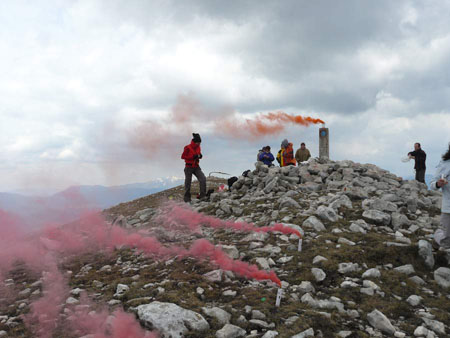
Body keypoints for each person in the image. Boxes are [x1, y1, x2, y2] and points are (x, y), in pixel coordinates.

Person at [431, 144, 450, 249]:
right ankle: (437, 235)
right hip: (448, 208)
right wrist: (438, 184)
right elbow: (432, 184)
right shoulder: (444, 164)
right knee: (446, 243)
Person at [181, 133, 206, 202]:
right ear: (194, 142)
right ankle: (187, 199)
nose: (199, 144)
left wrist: (200, 156)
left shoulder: (198, 147)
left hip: (196, 166)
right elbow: (183, 156)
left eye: (200, 143)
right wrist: (192, 157)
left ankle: (203, 196)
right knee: (188, 183)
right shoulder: (187, 147)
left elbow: (198, 154)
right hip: (188, 167)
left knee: (203, 179)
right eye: (198, 143)